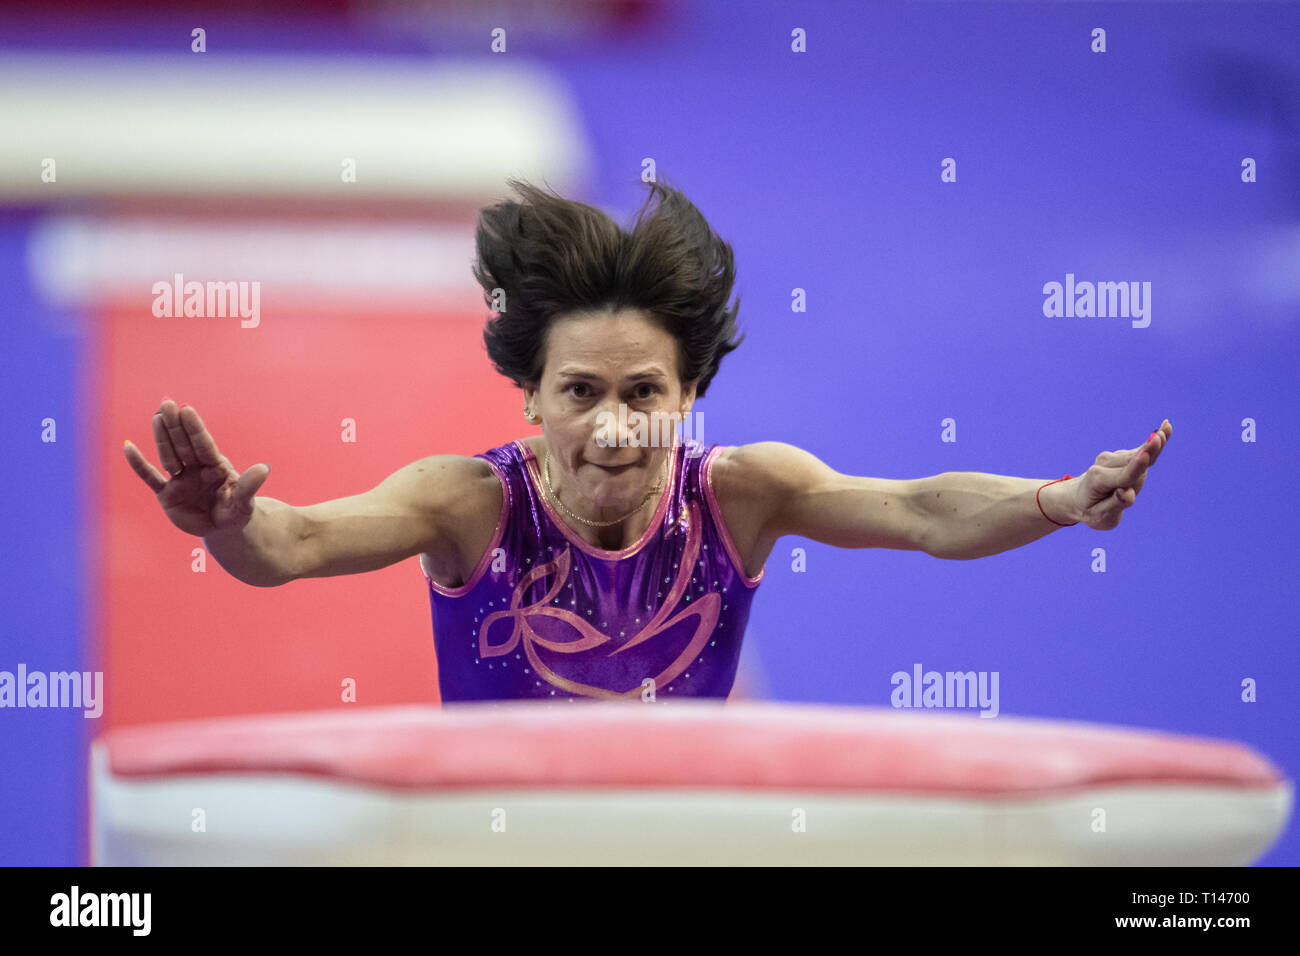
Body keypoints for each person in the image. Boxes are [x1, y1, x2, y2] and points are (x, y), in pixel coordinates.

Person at [124, 178, 1172, 703]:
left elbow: (916, 509)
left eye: (644, 391)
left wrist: (1064, 496)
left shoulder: (743, 493)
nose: (614, 423)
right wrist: (231, 522)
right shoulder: (468, 505)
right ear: (529, 394)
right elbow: (299, 543)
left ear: (690, 393)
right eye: (579, 389)